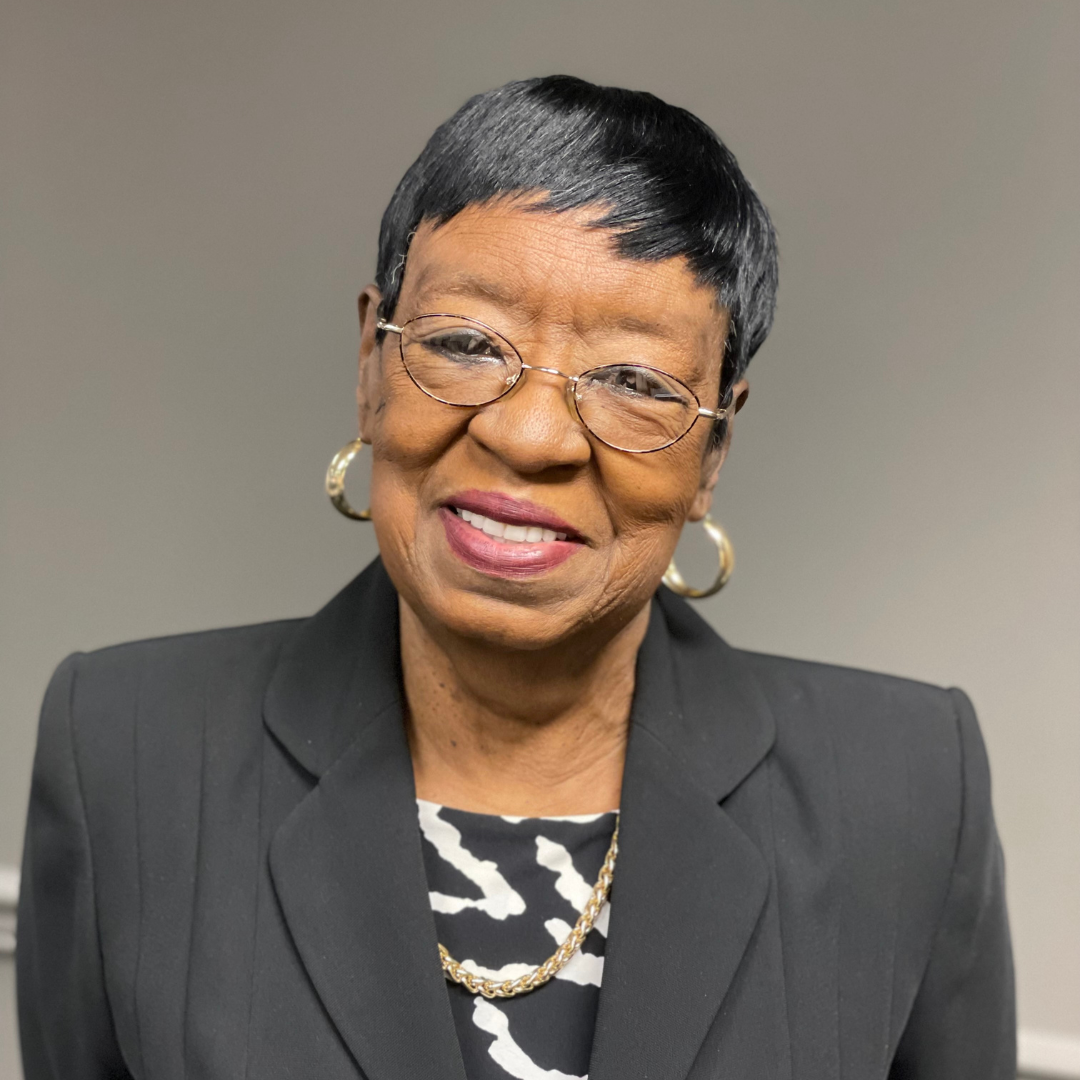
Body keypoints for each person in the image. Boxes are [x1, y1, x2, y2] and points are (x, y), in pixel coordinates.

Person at [17, 76, 1014, 1080]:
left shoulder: (909, 792)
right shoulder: (125, 756)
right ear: (371, 361)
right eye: (463, 345)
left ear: (711, 452)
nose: (529, 437)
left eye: (634, 382)